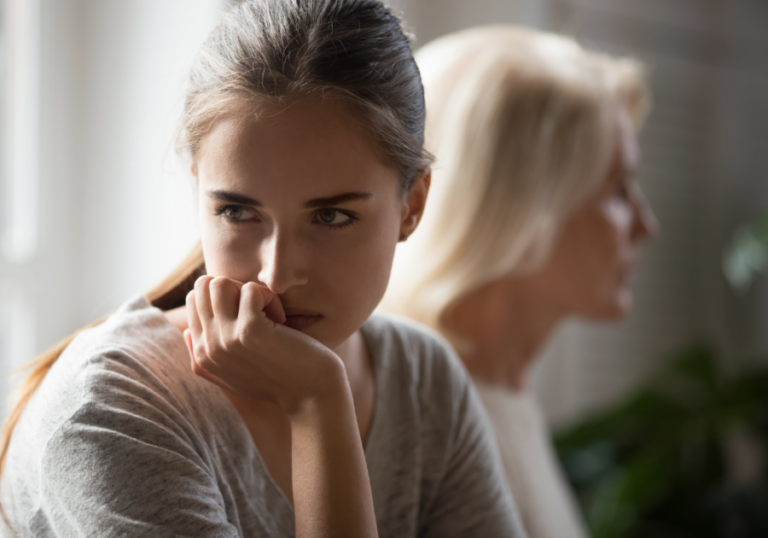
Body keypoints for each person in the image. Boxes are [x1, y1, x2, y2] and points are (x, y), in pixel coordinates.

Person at [0, 4, 526, 537]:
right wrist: (317, 401)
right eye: (237, 212)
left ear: (411, 205)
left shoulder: (420, 379)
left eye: (331, 216)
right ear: (198, 190)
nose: (275, 277)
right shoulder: (111, 412)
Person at [382, 25, 659, 538]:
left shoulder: (502, 393)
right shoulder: (424, 420)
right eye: (619, 190)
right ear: (523, 209)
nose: (646, 226)